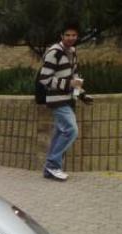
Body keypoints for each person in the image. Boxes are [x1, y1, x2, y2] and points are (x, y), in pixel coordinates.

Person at [38, 22, 93, 181]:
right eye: (67, 35)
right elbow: (44, 79)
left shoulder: (73, 51)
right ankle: (53, 166)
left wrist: (82, 94)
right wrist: (67, 84)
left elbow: (74, 77)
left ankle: (50, 168)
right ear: (61, 36)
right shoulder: (54, 52)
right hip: (57, 99)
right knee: (71, 130)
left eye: (74, 35)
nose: (71, 38)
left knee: (61, 131)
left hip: (68, 99)